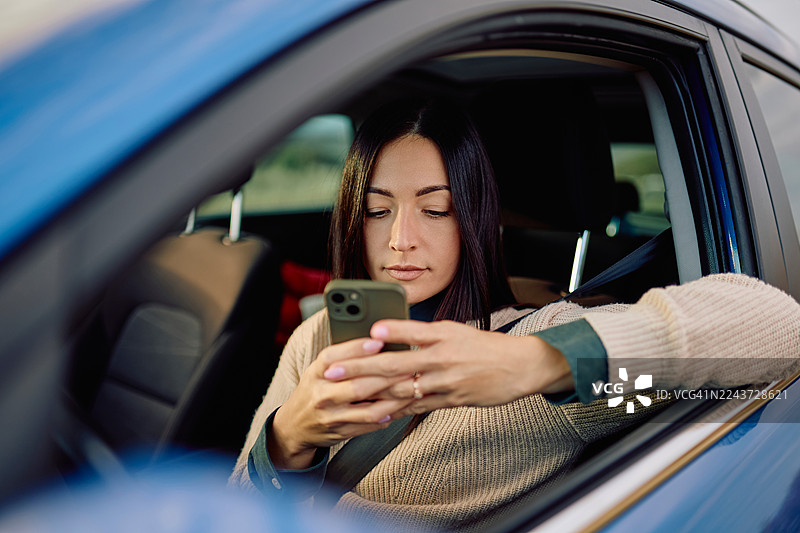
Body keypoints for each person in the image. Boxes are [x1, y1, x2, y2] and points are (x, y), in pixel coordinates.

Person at [229, 100, 800, 530]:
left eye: (435, 209)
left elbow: (777, 328)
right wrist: (286, 440)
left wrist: (539, 363)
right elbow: (232, 510)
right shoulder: (316, 338)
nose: (401, 239)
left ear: (472, 217)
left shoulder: (544, 353)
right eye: (379, 211)